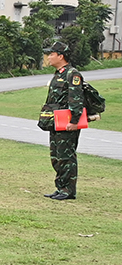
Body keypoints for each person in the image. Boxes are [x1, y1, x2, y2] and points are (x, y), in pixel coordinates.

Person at [39, 39, 87, 201]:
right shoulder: (58, 74)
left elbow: (76, 100)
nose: (49, 57)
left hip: (67, 123)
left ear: (61, 56)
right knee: (57, 156)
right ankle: (60, 187)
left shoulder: (72, 74)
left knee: (66, 156)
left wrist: (74, 122)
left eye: (51, 54)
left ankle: (68, 190)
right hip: (56, 121)